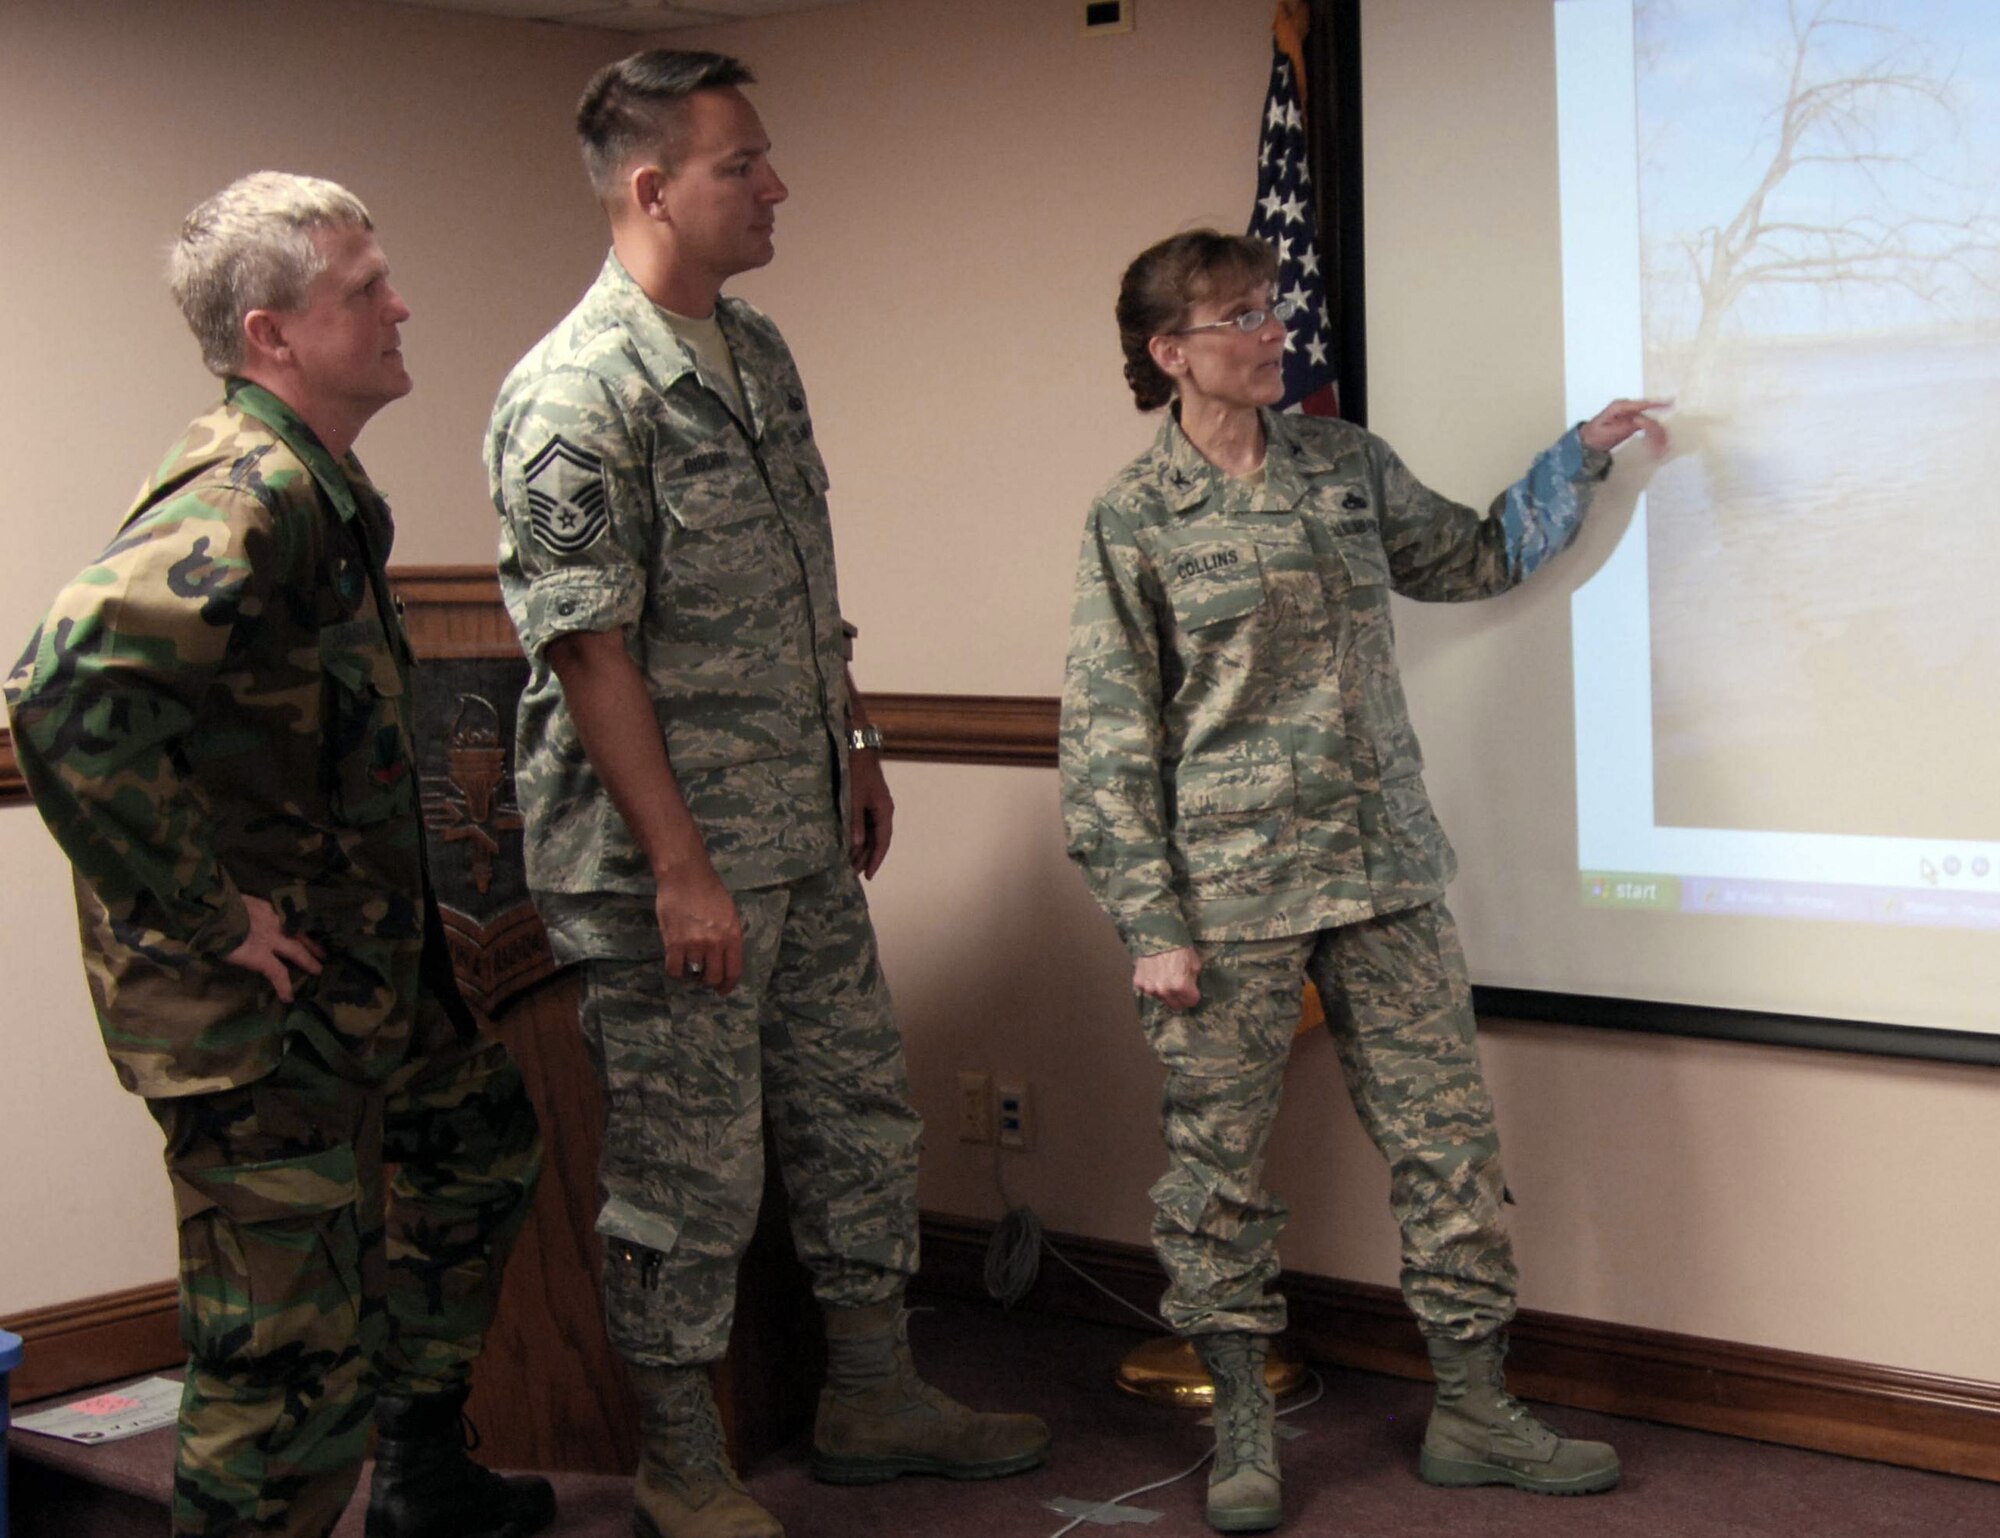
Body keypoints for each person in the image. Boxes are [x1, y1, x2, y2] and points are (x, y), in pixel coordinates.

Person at [486, 49, 1049, 1538]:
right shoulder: (573, 390)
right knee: (686, 1166)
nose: (778, 185)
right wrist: (679, 864)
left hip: (796, 827)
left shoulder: (758, 349)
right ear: (652, 186)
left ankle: (871, 1393)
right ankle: (679, 1456)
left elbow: (805, 583)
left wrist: (853, 741)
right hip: (670, 865)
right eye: (745, 164)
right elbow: (589, 648)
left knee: (859, 1116)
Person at [1059, 229, 1666, 1534]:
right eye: (1240, 315)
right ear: (1172, 353)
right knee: (1215, 1174)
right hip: (1226, 903)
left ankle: (1471, 1409)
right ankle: (1240, 1427)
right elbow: (1107, 739)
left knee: (1450, 1147)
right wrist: (1150, 920)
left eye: (1271, 307)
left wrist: (1581, 456)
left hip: (1384, 871)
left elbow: (1473, 555)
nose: (1274, 330)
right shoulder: (1134, 517)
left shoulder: (1345, 465)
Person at [3, 173, 553, 1538]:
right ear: (272, 335)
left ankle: (420, 1467)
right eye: (363, 289)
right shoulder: (246, 485)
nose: (399, 302)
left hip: (360, 973)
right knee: (282, 1358)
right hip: (257, 1014)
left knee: (476, 1142)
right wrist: (204, 913)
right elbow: (62, 697)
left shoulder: (317, 481)